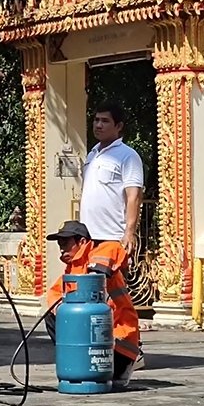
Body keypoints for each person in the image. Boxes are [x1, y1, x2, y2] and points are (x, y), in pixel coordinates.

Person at [43, 220, 142, 388]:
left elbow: (114, 249)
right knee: (53, 317)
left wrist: (96, 271)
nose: (61, 248)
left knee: (88, 316)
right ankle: (75, 363)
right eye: (60, 244)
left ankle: (122, 366)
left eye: (66, 243)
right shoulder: (72, 270)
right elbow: (53, 295)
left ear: (82, 242)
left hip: (119, 345)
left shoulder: (100, 252)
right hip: (93, 349)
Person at [80, 101, 144, 257]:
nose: (98, 125)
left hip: (112, 237)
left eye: (105, 121)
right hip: (87, 237)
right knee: (88, 281)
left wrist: (129, 233)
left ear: (119, 126)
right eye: (96, 120)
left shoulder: (128, 156)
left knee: (113, 282)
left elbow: (133, 197)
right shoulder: (92, 155)